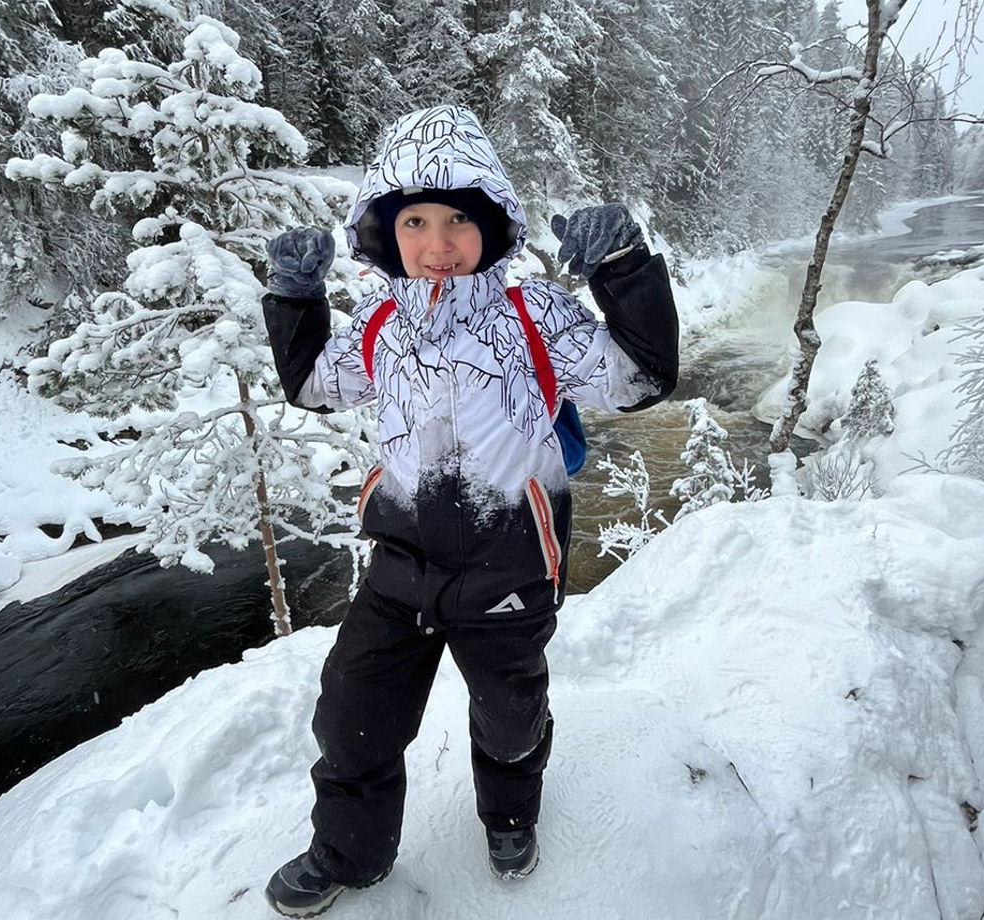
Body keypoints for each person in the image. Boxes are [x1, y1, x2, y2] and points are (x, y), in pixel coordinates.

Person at [259, 104, 678, 918]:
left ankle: (511, 815)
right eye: (415, 220)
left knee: (510, 715)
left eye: (458, 217)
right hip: (400, 569)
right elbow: (314, 385)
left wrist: (623, 267)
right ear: (387, 231)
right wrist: (296, 297)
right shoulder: (379, 322)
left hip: (510, 565)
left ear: (492, 224)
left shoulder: (535, 318)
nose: (438, 242)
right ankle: (349, 852)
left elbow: (639, 379)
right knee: (352, 717)